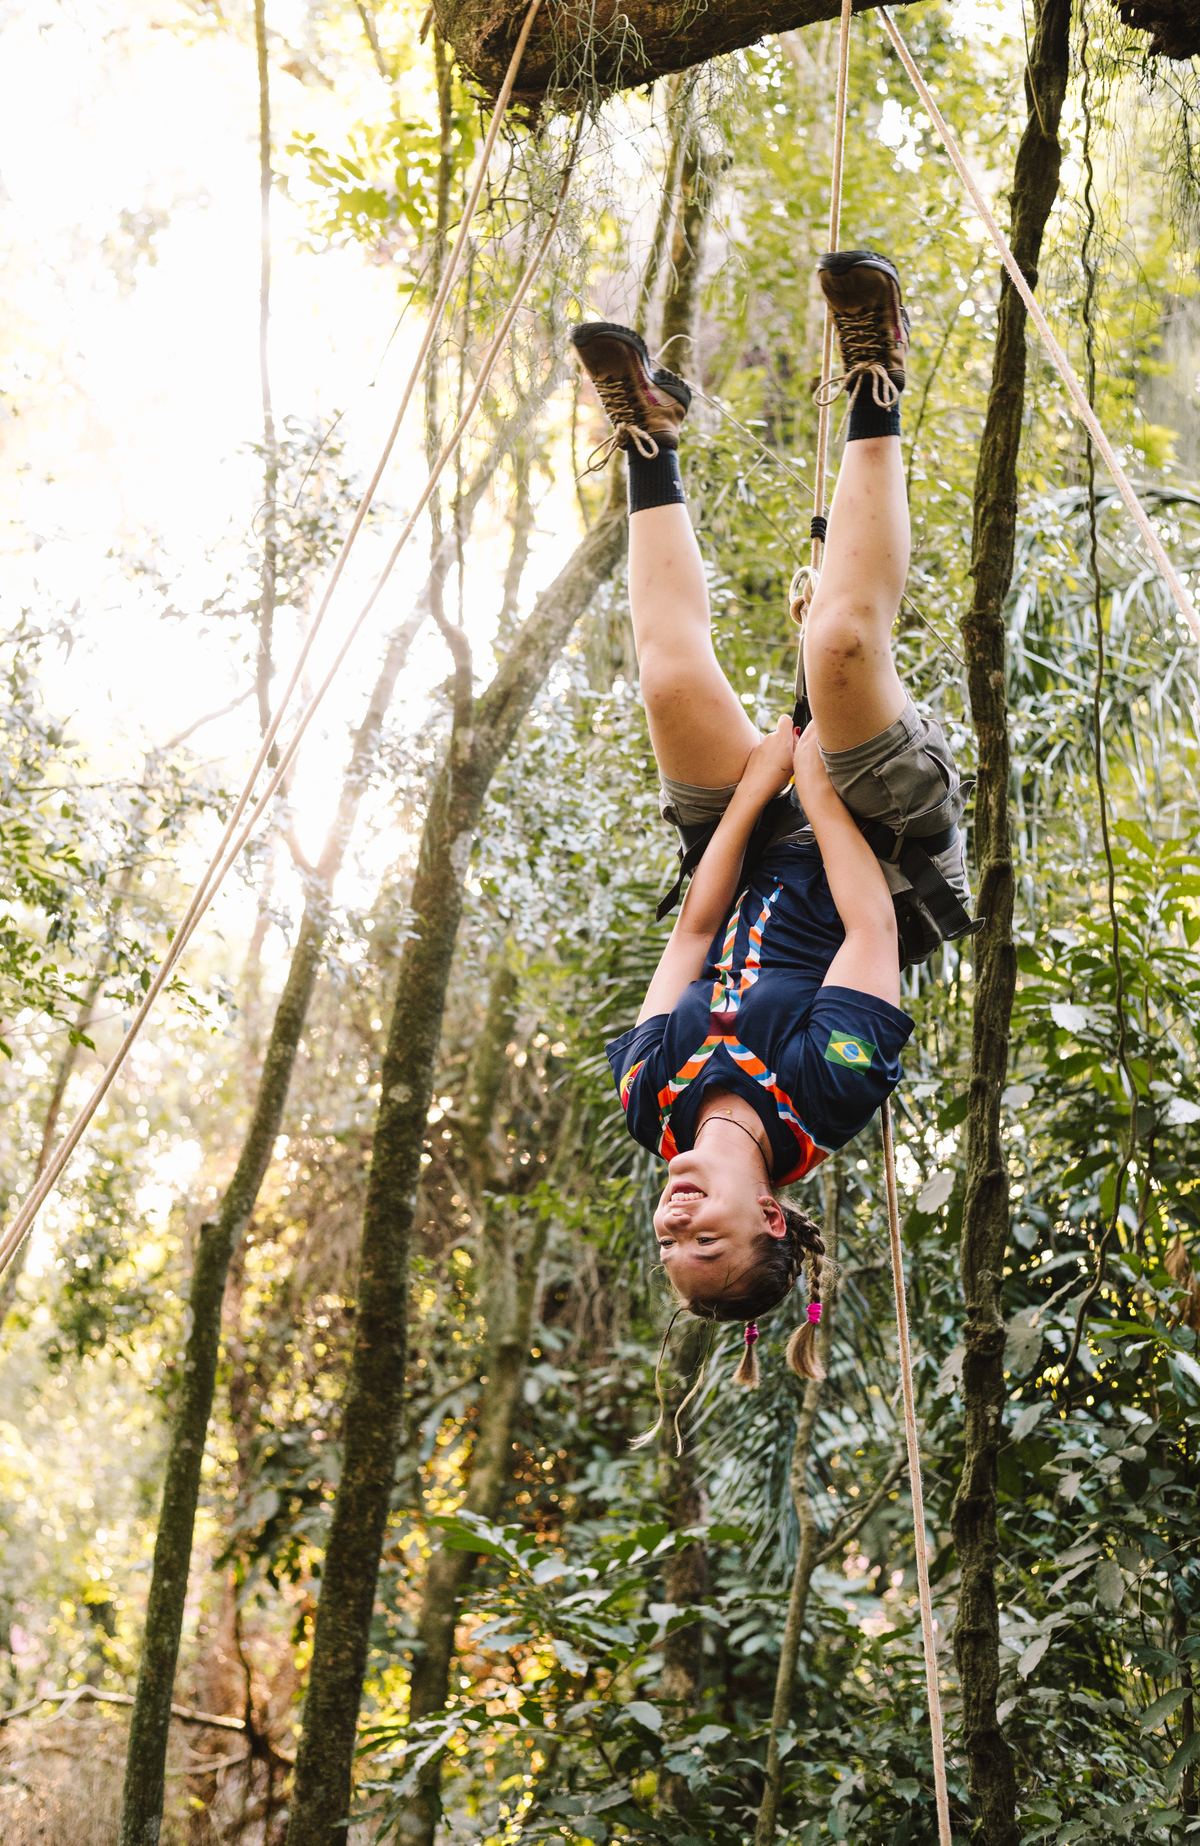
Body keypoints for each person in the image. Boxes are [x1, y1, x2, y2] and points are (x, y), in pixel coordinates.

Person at [573, 251, 970, 1391]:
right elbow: (870, 937)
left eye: (669, 1238)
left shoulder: (654, 1101)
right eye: (708, 1237)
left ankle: (648, 439)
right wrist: (821, 784)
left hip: (746, 850)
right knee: (837, 647)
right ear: (775, 1217)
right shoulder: (829, 1090)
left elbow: (691, 938)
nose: (678, 1215)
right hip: (880, 853)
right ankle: (876, 374)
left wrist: (753, 789)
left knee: (669, 692)